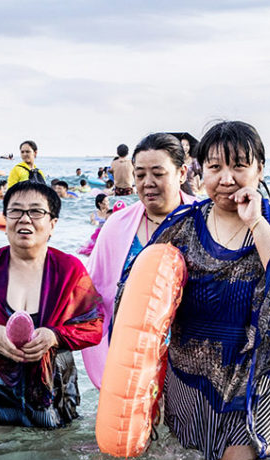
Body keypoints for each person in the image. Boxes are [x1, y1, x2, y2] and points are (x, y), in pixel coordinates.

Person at [138, 121, 270, 460]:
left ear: (260, 169)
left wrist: (255, 222)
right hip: (189, 378)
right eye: (215, 167)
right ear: (199, 171)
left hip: (254, 378)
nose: (226, 178)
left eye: (239, 166)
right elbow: (138, 299)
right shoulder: (181, 227)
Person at [0, 181, 103, 428]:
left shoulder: (69, 270)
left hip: (51, 395)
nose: (25, 219)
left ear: (52, 224)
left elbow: (94, 326)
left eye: (36, 211)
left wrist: (54, 336)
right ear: (5, 221)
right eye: (16, 211)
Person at [82, 133, 197, 387]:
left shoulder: (204, 220)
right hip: (130, 362)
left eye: (158, 173)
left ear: (182, 173)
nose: (148, 183)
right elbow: (93, 293)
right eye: (141, 174)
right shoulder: (116, 226)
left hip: (190, 364)